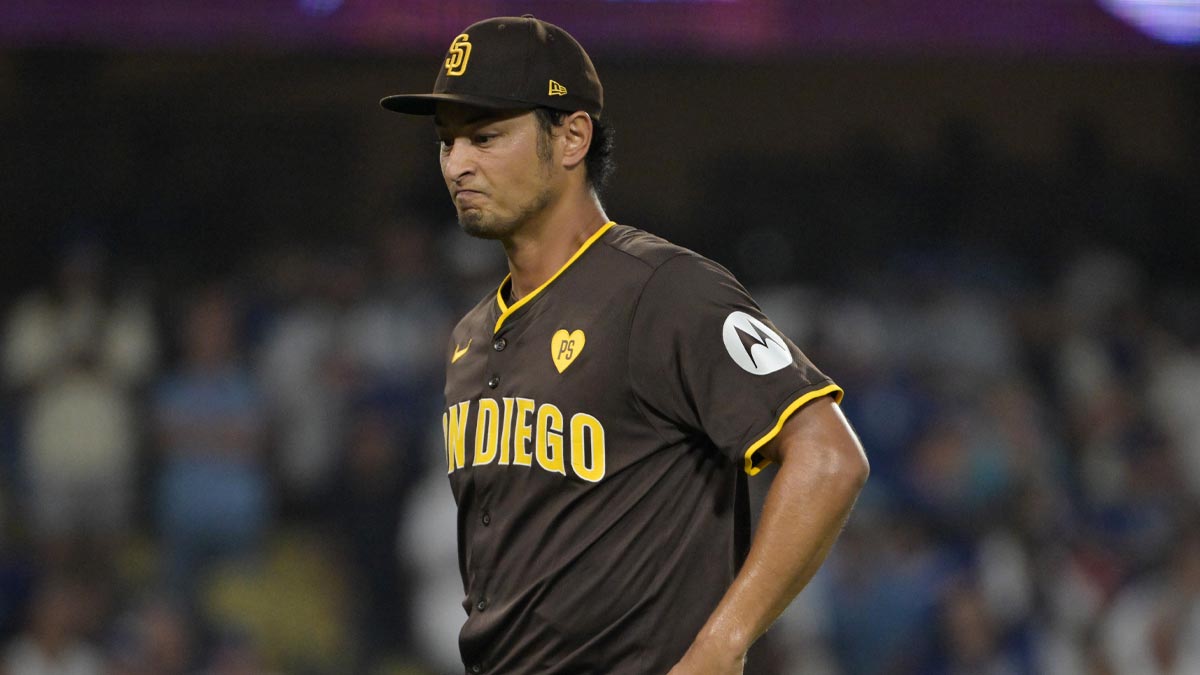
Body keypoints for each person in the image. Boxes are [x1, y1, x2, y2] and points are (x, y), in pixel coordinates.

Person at [380, 15, 869, 674]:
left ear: (573, 135)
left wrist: (722, 642)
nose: (458, 163)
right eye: (448, 142)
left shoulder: (663, 289)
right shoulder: (471, 335)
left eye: (487, 136)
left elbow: (829, 455)